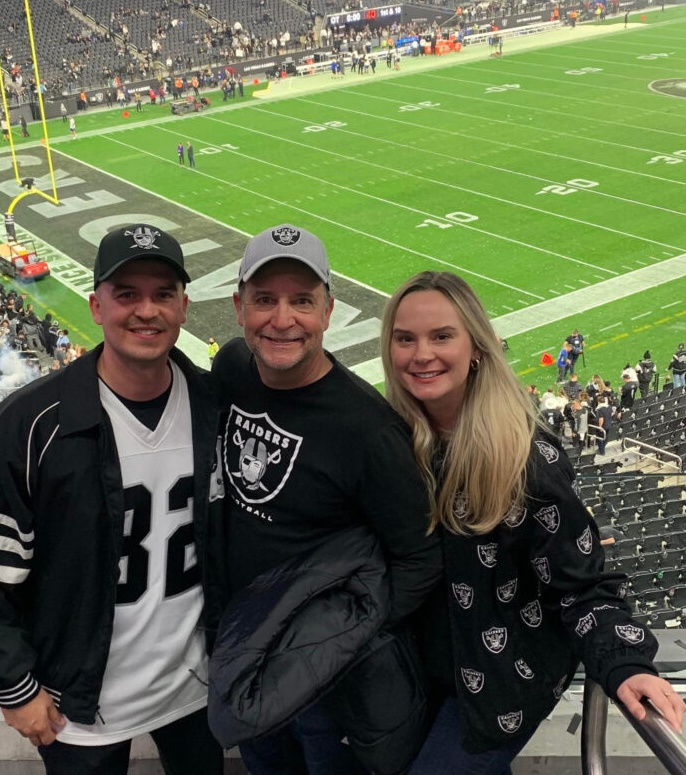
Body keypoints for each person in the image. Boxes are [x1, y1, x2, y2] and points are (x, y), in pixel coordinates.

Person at [380, 271, 684, 773]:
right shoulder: (388, 440)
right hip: (413, 674)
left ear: (476, 346)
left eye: (441, 336)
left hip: (497, 684)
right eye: (404, 338)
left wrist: (626, 663)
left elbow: (581, 584)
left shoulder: (524, 457)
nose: (421, 354)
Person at [0, 224, 224, 775]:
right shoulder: (29, 427)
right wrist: (14, 688)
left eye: (163, 294)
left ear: (185, 308)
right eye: (127, 294)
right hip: (77, 702)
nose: (147, 311)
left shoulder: (213, 404)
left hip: (198, 687)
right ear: (96, 306)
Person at [212, 225, 441, 774]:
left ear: (330, 310)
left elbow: (419, 558)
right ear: (238, 306)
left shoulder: (368, 432)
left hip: (326, 689)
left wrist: (335, 644)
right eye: (265, 300)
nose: (283, 319)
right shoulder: (232, 368)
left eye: (302, 301)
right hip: (243, 656)